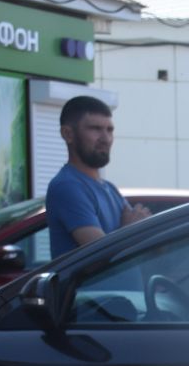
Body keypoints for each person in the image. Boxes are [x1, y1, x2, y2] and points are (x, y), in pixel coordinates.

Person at [44, 96, 151, 258]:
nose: (106, 139)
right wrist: (132, 230)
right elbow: (102, 255)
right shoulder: (67, 186)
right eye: (95, 129)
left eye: (110, 130)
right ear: (67, 134)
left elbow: (148, 241)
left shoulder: (110, 188)